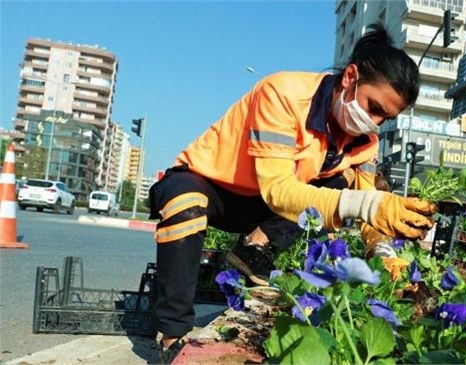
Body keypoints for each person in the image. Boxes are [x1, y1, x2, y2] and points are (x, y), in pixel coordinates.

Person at [148, 24, 437, 363]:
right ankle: (171, 336)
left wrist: (385, 251)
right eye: (373, 107)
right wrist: (368, 204)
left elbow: (368, 206)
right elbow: (278, 189)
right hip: (209, 185)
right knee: (186, 203)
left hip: (259, 207)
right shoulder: (284, 93)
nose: (374, 123)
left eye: (384, 118)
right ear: (350, 77)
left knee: (341, 178)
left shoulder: (363, 144)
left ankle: (254, 250)